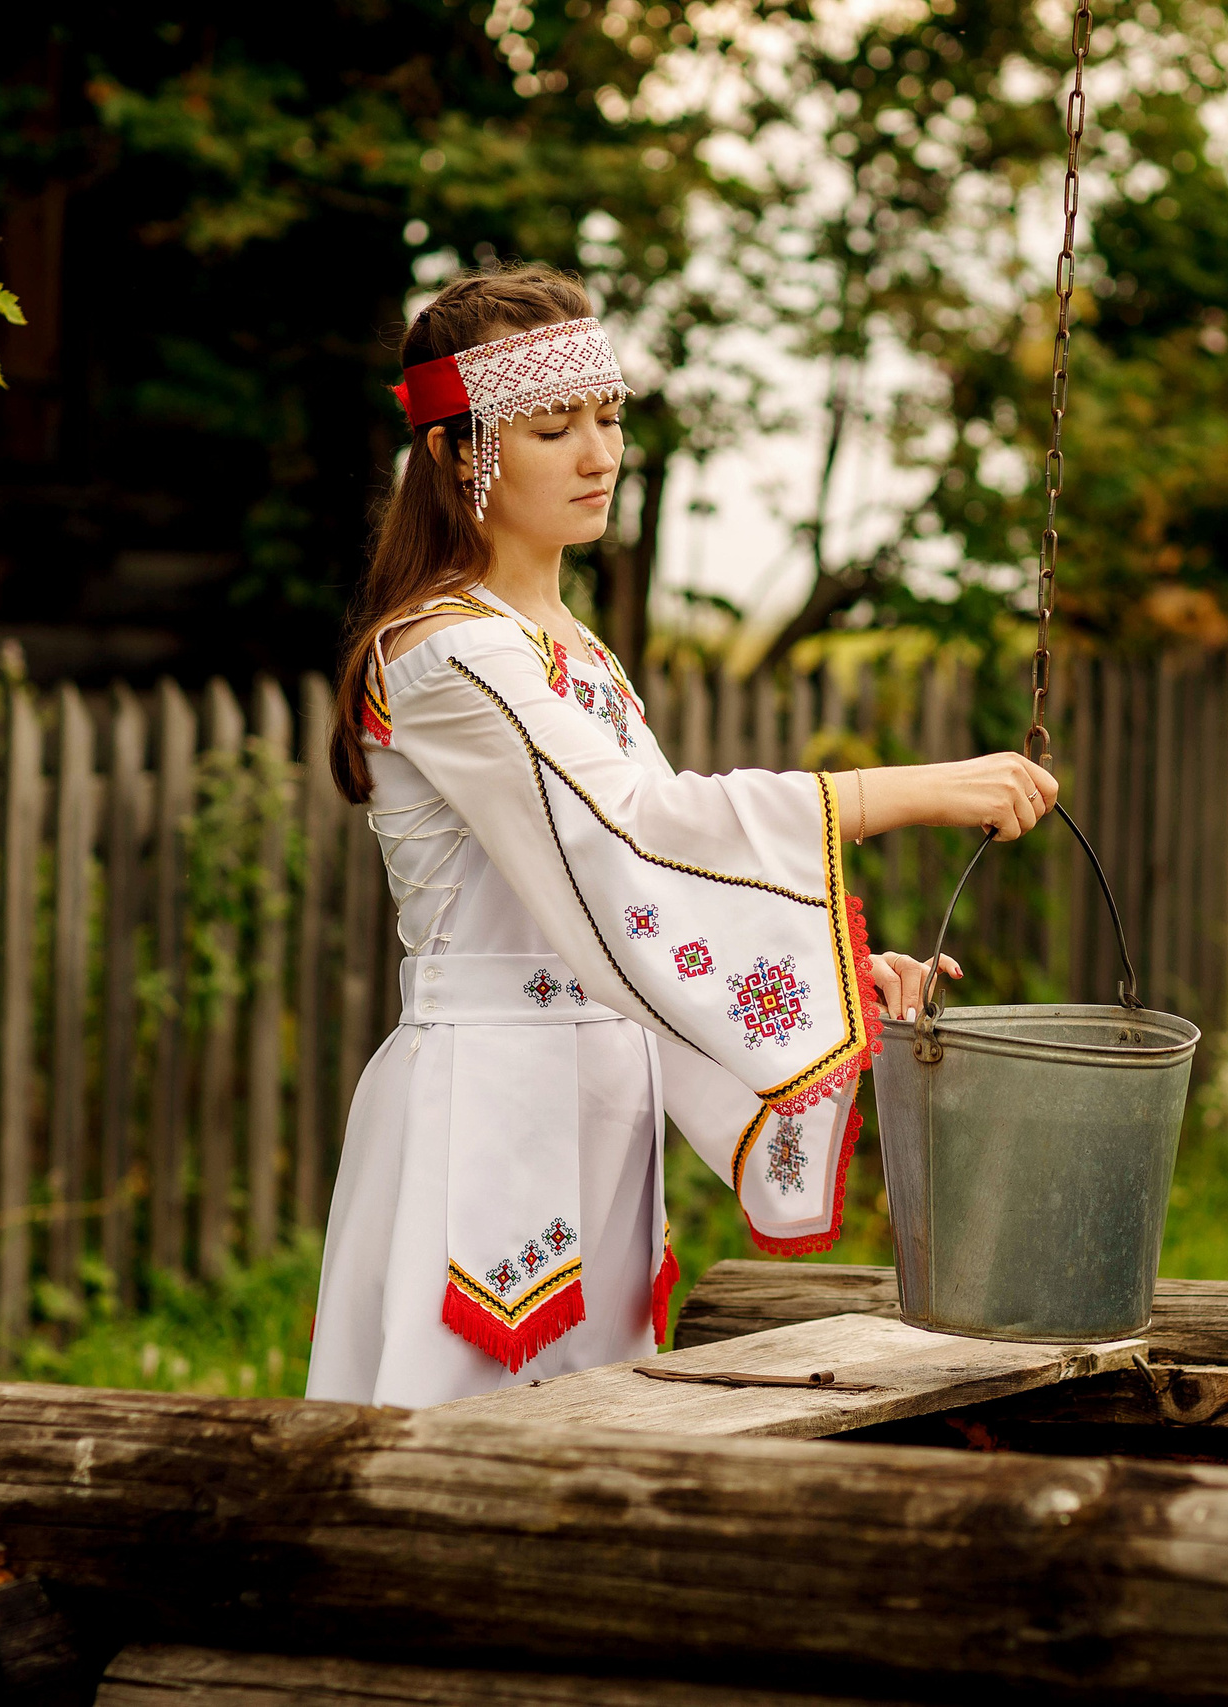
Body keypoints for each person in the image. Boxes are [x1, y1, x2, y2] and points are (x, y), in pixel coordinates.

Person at [306, 263, 1058, 1407]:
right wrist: (910, 790)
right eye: (552, 427)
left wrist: (841, 979)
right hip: (485, 1099)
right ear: (461, 452)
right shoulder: (447, 653)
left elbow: (657, 897)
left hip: (604, 1098)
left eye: (608, 420)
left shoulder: (578, 655)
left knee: (593, 1444)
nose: (598, 455)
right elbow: (640, 828)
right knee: (447, 1445)